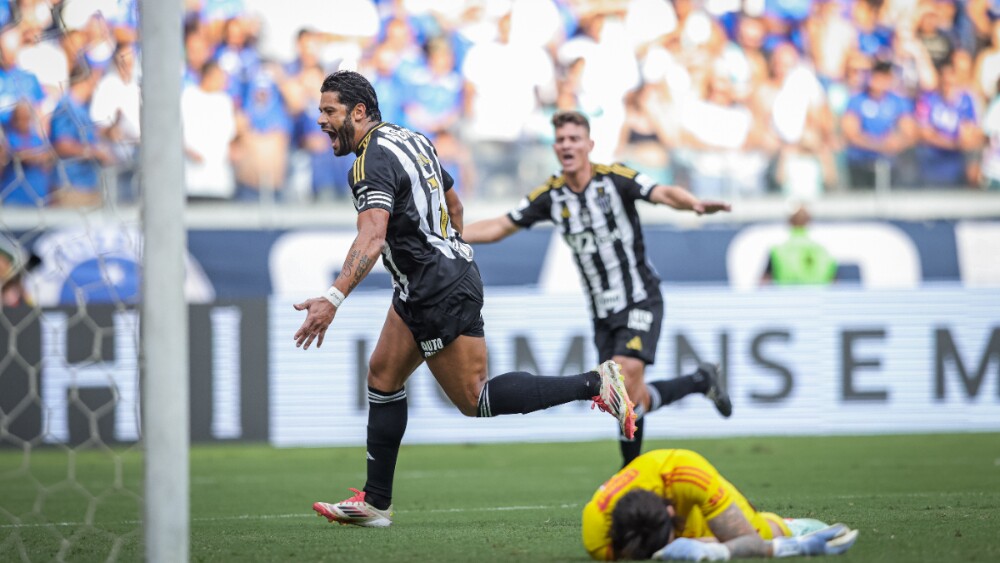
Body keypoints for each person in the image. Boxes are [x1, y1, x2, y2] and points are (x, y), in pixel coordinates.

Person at [294, 71, 636, 528]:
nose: (321, 120)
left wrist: (332, 298)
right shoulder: (410, 138)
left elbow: (372, 236)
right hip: (430, 282)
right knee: (382, 374)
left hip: (436, 288)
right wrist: (446, 245)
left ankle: (595, 385)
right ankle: (376, 502)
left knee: (475, 398)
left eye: (329, 111)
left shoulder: (368, 162)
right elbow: (453, 200)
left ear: (358, 112)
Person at [462, 110, 733, 469]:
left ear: (589, 144)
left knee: (620, 378)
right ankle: (700, 380)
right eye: (561, 140)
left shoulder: (615, 179)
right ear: (555, 148)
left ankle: (630, 477)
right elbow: (501, 225)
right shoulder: (552, 195)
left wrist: (692, 203)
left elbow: (661, 192)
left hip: (639, 298)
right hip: (602, 312)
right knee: (630, 397)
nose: (567, 145)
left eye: (574, 138)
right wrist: (447, 236)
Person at [582, 448, 860, 561]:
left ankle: (786, 525)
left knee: (757, 533)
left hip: (693, 489)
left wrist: (794, 546)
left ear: (670, 512)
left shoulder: (691, 475)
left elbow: (748, 541)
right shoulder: (596, 535)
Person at [761, 205, 838, 285]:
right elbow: (834, 283)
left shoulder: (777, 251)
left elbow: (764, 284)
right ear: (809, 221)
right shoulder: (823, 251)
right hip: (819, 297)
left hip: (787, 297)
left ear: (789, 221)